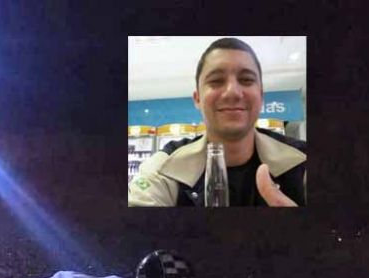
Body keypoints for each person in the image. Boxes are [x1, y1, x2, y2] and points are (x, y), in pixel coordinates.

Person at [128, 38, 306, 207]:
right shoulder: (164, 168)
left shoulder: (304, 161)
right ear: (197, 98)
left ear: (261, 96)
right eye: (216, 81)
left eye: (246, 80)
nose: (232, 92)